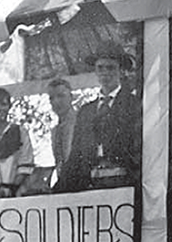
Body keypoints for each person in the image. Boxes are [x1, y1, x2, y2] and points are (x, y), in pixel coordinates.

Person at [57, 43, 139, 192]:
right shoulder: (86, 111)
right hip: (89, 187)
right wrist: (58, 189)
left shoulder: (134, 105)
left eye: (110, 68)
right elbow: (76, 154)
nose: (105, 73)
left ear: (121, 71)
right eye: (100, 68)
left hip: (124, 186)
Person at [48, 77, 76, 180]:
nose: (56, 102)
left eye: (61, 96)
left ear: (71, 97)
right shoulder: (55, 130)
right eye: (52, 98)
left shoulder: (81, 123)